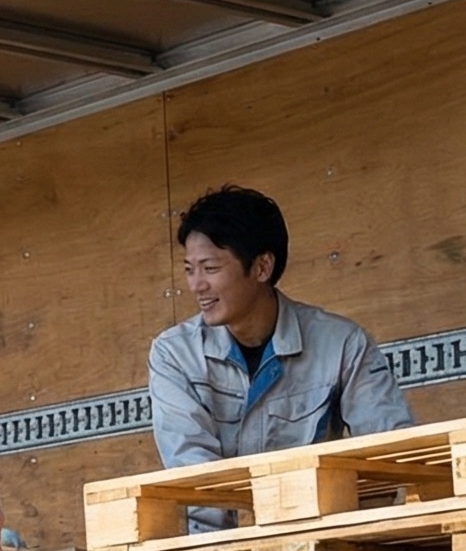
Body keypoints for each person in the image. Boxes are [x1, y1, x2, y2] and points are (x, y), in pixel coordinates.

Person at [148, 186, 413, 488]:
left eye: (209, 268)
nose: (196, 285)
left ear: (262, 267)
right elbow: (195, 478)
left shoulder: (342, 344)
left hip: (316, 529)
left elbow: (391, 453)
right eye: (189, 269)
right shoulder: (175, 354)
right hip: (219, 535)